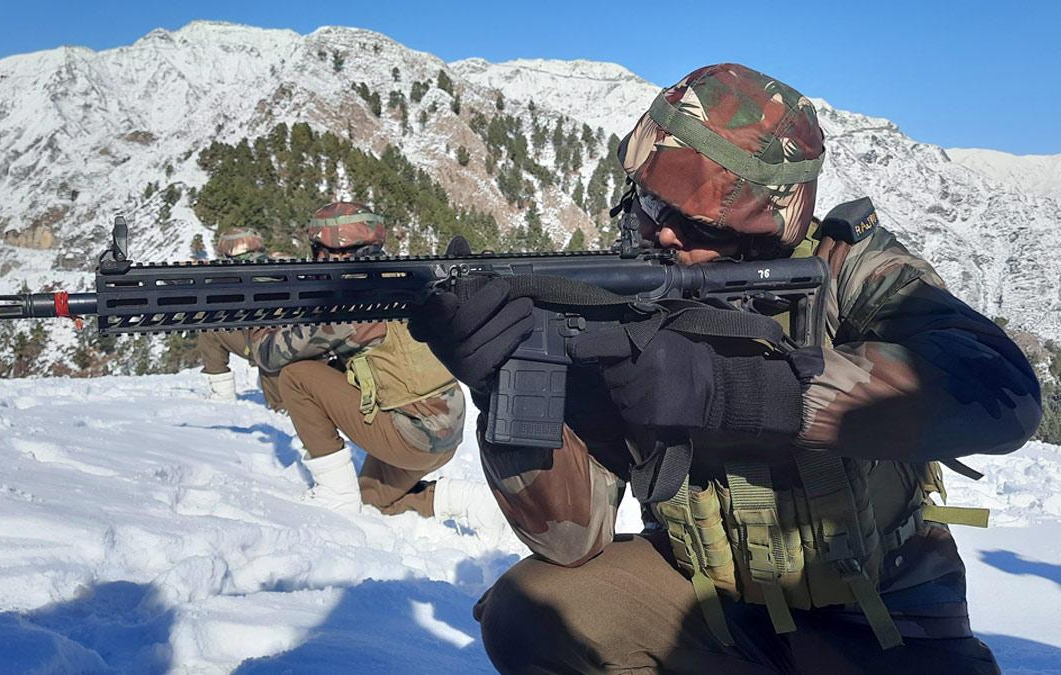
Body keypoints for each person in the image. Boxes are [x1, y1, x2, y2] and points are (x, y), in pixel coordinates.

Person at [410, 63, 1041, 673]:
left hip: (883, 618)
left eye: (698, 224)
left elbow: (1001, 393)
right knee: (533, 612)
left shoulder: (849, 268)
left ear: (772, 223)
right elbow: (570, 541)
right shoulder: (625, 298)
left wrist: (731, 390)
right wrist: (504, 378)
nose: (666, 238)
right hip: (714, 607)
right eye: (655, 208)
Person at [255, 201, 503, 531]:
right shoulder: (408, 281)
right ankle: (466, 501)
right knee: (373, 500)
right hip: (445, 433)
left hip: (411, 437)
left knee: (296, 376)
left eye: (317, 250)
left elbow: (270, 354)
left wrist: (258, 314)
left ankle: (335, 495)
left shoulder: (348, 304)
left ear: (334, 252)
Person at [196, 227, 285, 411]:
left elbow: (213, 306)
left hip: (265, 346)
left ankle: (223, 393)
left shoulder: (228, 276)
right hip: (297, 341)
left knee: (210, 328)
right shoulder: (279, 267)